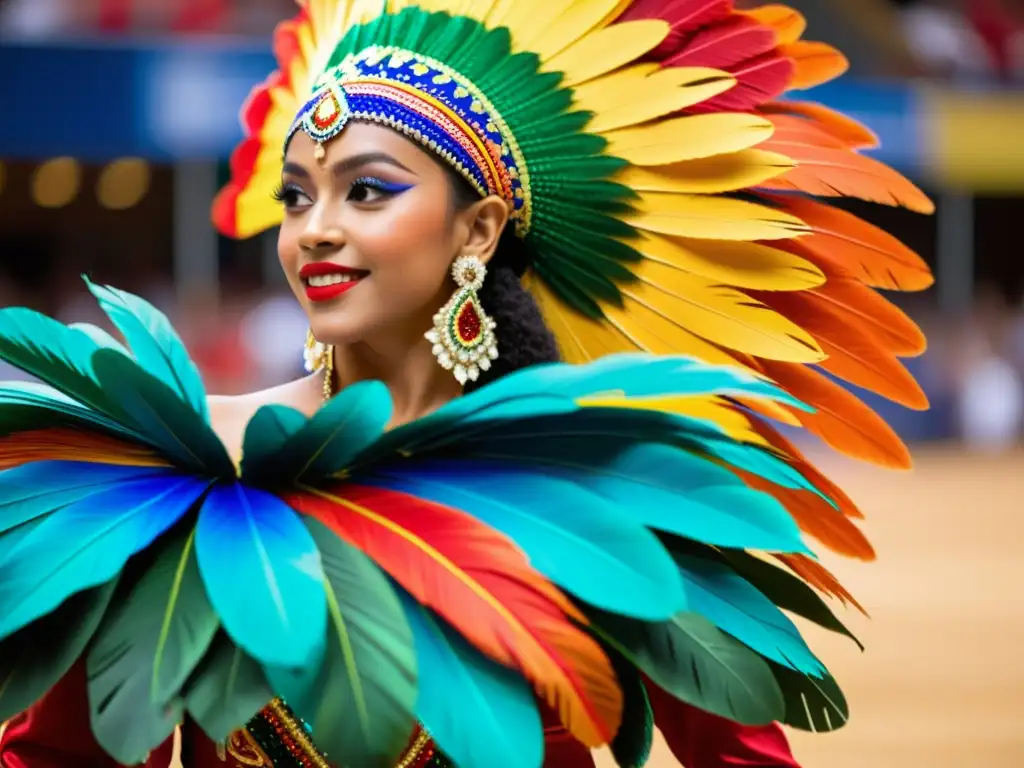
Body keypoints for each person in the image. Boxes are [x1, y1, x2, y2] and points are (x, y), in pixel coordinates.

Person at [0, 1, 933, 766]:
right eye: (296, 194)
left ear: (479, 229)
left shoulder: (599, 491)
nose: (313, 229)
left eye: (367, 191)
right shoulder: (172, 468)